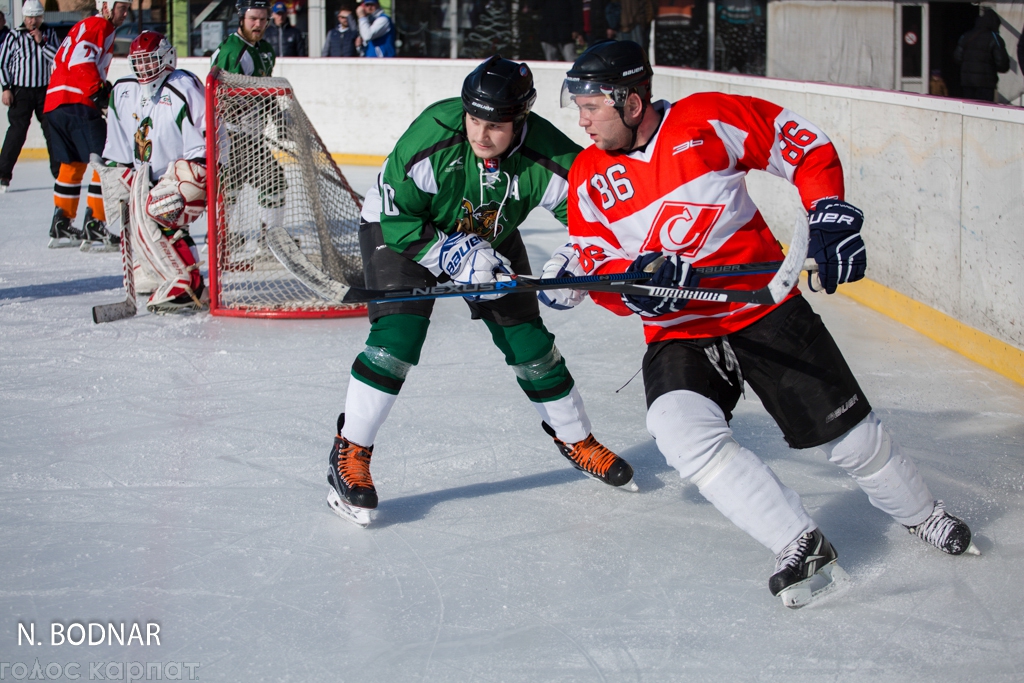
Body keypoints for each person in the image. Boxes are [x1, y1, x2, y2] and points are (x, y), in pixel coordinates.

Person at [551, 40, 978, 608]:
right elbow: (596, 264)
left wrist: (827, 209)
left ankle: (922, 514)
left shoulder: (706, 119)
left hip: (763, 306)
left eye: (591, 107)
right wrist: (634, 291)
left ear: (632, 103)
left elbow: (801, 142)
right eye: (576, 106)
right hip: (680, 329)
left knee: (851, 441)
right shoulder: (587, 175)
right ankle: (798, 541)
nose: (582, 121)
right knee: (679, 430)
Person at [326, 55, 637, 527]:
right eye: (474, 119)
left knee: (528, 339)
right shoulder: (431, 137)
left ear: (521, 120)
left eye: (495, 125)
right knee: (398, 338)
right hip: (406, 233)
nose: (480, 134)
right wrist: (451, 254)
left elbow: (592, 217)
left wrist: (582, 257)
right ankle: (350, 453)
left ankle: (575, 438)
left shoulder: (549, 155)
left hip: (490, 233)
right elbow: (397, 218)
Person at [100, 31, 208, 314]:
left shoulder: (183, 85)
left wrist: (204, 169)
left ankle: (188, 285)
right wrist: (117, 169)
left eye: (151, 61)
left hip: (189, 169)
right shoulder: (124, 90)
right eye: (140, 62)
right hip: (147, 173)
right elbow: (118, 142)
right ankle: (155, 272)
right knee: (137, 210)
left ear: (168, 57)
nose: (145, 69)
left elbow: (206, 130)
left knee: (160, 210)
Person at [42, 0, 129, 250]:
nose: (125, 12)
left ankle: (61, 222)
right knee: (106, 161)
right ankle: (95, 224)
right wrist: (97, 92)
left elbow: (62, 61)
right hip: (77, 100)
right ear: (105, 6)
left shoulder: (82, 25)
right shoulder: (99, 25)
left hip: (55, 103)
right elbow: (81, 60)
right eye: (121, 7)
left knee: (72, 164)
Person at [211, 0, 286, 247]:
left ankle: (251, 237)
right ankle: (229, 236)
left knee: (252, 183)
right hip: (232, 134)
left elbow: (265, 89)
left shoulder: (265, 49)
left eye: (263, 19)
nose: (258, 24)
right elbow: (221, 96)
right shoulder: (233, 51)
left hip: (251, 133)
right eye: (253, 18)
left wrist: (275, 116)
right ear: (241, 18)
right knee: (265, 179)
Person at [0, 0, 59, 193]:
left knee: (51, 131)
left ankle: (59, 173)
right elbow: (3, 64)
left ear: (42, 18)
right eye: (29, 18)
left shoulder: (49, 34)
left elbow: (58, 58)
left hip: (44, 91)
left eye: (36, 17)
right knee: (17, 132)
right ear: (24, 18)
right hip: (21, 92)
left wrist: (41, 42)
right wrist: (6, 88)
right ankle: (3, 174)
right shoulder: (14, 36)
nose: (32, 21)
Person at [953, 7, 1010, 103]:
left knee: (968, 111)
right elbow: (1002, 64)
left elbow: (957, 57)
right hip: (986, 84)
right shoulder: (994, 38)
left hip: (967, 82)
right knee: (984, 112)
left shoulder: (966, 36)